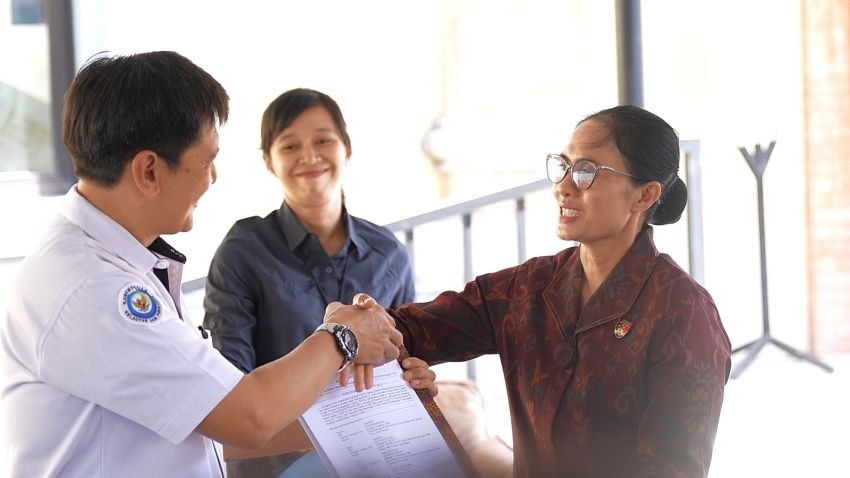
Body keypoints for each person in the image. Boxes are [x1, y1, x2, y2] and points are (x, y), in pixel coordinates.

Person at [0, 51, 420, 477]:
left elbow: (219, 421)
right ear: (149, 171)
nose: (212, 178)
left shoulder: (122, 263)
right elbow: (247, 416)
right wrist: (341, 337)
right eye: (207, 159)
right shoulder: (95, 289)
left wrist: (393, 402)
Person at [386, 105, 732, 477]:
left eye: (586, 171)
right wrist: (358, 327)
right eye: (563, 166)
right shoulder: (528, 287)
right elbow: (407, 330)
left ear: (644, 196)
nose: (563, 187)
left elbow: (672, 469)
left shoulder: (683, 312)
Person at [202, 87, 421, 477]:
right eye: (289, 146)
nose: (309, 156)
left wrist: (419, 380)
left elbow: (406, 368)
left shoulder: (389, 253)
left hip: (377, 455)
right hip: (275, 462)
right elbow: (229, 398)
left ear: (346, 149)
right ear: (268, 161)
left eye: (323, 140)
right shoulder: (244, 250)